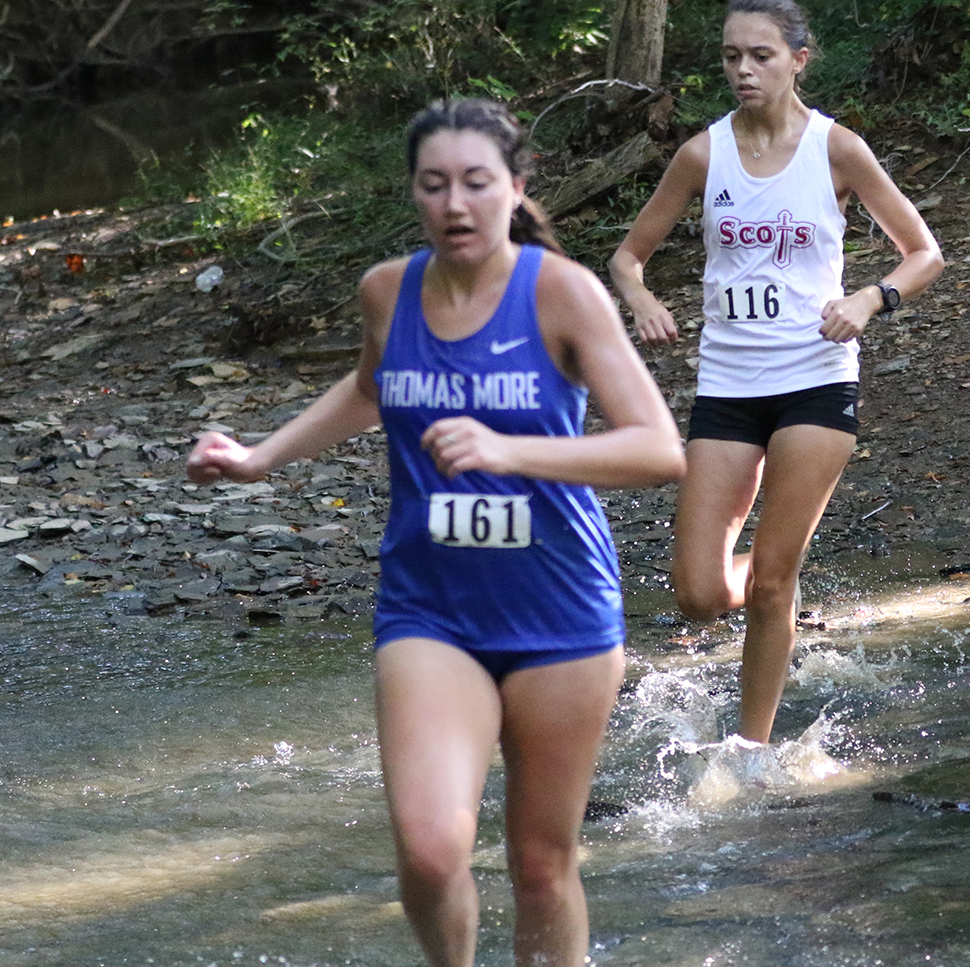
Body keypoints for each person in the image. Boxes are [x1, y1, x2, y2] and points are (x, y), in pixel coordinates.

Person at [186, 97, 684, 967]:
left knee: (540, 865)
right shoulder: (388, 290)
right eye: (435, 185)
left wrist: (511, 450)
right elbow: (371, 390)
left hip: (560, 610)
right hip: (432, 610)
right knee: (428, 849)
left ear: (515, 188)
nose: (456, 204)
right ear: (415, 196)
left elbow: (658, 449)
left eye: (477, 184)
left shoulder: (562, 293)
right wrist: (261, 458)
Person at [609, 0, 943, 744]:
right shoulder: (704, 153)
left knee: (769, 586)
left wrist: (869, 298)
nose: (743, 70)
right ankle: (773, 573)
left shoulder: (838, 149)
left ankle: (751, 749)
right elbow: (628, 257)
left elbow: (924, 254)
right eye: (731, 56)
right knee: (697, 592)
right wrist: (639, 300)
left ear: (798, 60)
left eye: (760, 55)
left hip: (818, 378)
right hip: (728, 383)